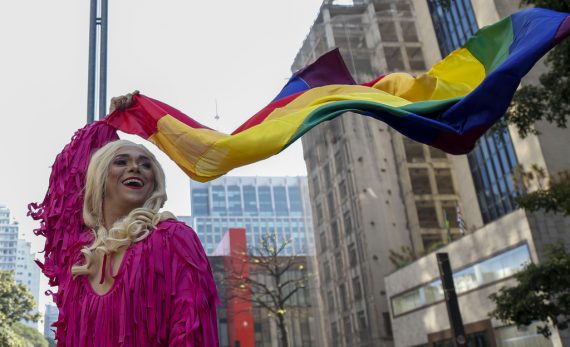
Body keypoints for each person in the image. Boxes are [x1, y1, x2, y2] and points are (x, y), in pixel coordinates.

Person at [34, 92, 219, 346]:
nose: (135, 168)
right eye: (121, 162)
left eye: (146, 165)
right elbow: (64, 184)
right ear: (99, 178)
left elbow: (192, 334)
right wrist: (107, 124)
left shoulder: (174, 238)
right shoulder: (78, 256)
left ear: (154, 181)